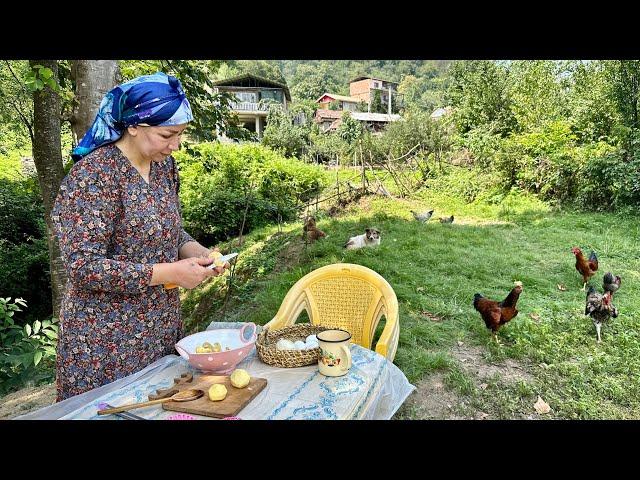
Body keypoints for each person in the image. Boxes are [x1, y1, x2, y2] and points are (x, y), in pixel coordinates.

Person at [51, 72, 228, 401]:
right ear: (134, 125)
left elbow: (168, 229)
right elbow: (83, 266)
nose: (175, 145)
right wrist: (169, 273)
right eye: (167, 135)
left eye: (180, 135)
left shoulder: (164, 167)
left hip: (159, 328)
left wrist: (198, 251)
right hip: (104, 342)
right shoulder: (94, 176)